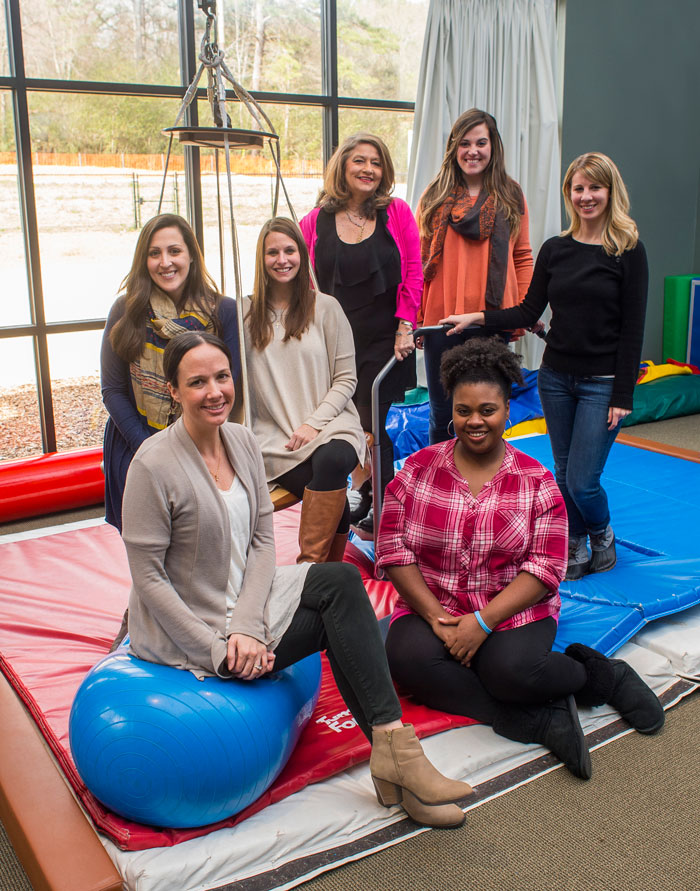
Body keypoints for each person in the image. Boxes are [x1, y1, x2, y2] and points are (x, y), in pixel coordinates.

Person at [121, 330, 472, 828]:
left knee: (342, 582)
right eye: (197, 382)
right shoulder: (152, 465)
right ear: (174, 392)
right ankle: (397, 768)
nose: (215, 391)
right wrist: (221, 649)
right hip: (191, 626)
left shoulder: (240, 440)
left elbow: (263, 540)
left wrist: (247, 623)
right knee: (338, 616)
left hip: (242, 600)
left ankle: (396, 755)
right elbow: (149, 581)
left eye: (222, 376)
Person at [377, 338, 664, 780]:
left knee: (509, 672)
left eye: (487, 410)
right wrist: (436, 618)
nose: (475, 421)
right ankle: (529, 720)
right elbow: (394, 549)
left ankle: (603, 678)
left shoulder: (537, 482)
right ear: (450, 409)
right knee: (406, 660)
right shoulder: (416, 471)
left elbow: (545, 570)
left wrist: (483, 624)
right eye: (463, 410)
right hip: (438, 604)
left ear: (508, 409)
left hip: (513, 609)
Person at [440, 152, 648, 579]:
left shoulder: (627, 251)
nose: (586, 196)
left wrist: (623, 395)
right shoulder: (556, 248)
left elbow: (633, 330)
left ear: (610, 192)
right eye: (579, 188)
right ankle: (573, 541)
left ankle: (601, 530)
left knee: (582, 481)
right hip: (556, 379)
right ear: (569, 194)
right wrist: (476, 317)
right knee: (564, 470)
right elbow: (527, 309)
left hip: (603, 383)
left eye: (595, 187)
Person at [300, 132, 422, 531]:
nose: (368, 169)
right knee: (342, 424)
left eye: (376, 162)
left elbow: (413, 272)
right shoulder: (314, 221)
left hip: (385, 341)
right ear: (343, 167)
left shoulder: (397, 212)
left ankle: (382, 507)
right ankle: (360, 493)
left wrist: (407, 326)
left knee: (376, 427)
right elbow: (301, 280)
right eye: (359, 161)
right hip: (333, 342)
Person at [100, 212, 240, 533]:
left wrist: (196, 448)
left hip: (204, 446)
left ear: (191, 255)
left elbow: (233, 387)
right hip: (136, 441)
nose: (165, 262)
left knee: (204, 548)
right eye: (154, 253)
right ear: (144, 260)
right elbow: (113, 389)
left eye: (174, 251)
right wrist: (151, 449)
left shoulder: (222, 312)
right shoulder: (126, 310)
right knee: (149, 552)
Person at [244, 218, 366, 564]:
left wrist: (314, 423)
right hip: (274, 436)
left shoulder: (326, 307)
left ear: (302, 254)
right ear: (261, 259)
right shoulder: (244, 312)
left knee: (332, 460)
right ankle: (325, 576)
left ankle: (308, 569)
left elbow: (346, 379)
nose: (282, 259)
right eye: (272, 252)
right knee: (330, 489)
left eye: (289, 250)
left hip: (331, 422)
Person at [416, 108, 533, 445]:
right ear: (454, 147)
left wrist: (524, 311)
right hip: (442, 322)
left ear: (492, 146)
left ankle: (487, 488)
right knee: (443, 413)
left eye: (481, 142)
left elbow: (522, 257)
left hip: (491, 320)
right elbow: (420, 262)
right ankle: (442, 487)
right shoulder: (434, 195)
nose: (473, 151)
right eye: (464, 143)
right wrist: (416, 318)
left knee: (490, 412)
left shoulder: (511, 193)